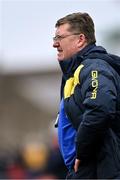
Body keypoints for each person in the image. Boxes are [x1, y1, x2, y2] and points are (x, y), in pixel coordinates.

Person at [52, 12, 120, 179]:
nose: (55, 44)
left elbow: (100, 109)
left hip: (99, 169)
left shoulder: (94, 67)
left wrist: (82, 152)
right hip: (86, 169)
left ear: (80, 39)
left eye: (60, 37)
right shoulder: (74, 72)